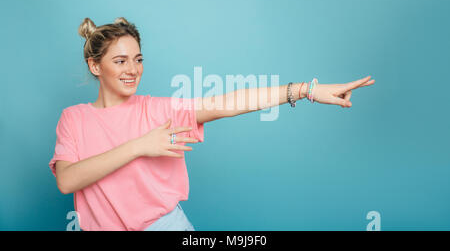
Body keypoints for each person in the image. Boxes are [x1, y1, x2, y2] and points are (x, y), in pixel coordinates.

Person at [49, 17, 375, 231]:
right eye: (120, 61)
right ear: (95, 66)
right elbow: (67, 180)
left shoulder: (158, 109)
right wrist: (139, 146)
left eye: (138, 59)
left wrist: (307, 90)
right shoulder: (74, 118)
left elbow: (228, 104)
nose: (132, 69)